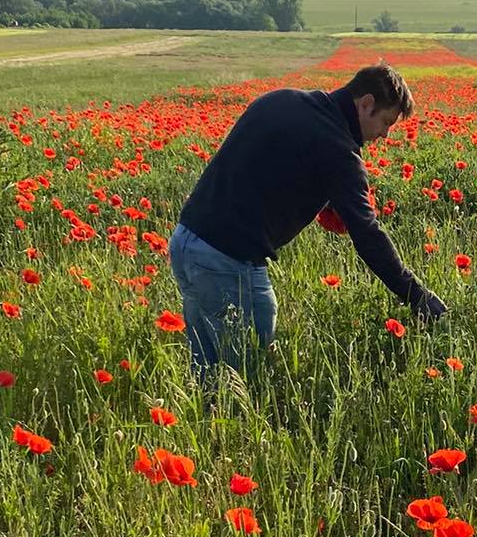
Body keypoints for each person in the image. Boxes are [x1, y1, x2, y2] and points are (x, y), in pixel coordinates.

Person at [168, 60, 447, 377]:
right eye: (386, 122)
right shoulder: (339, 150)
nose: (384, 134)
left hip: (185, 241)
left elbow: (264, 163)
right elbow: (367, 234)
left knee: (207, 368)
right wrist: (416, 294)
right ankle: (233, 422)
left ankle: (208, 419)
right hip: (226, 259)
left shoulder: (283, 99)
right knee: (245, 374)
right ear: (366, 103)